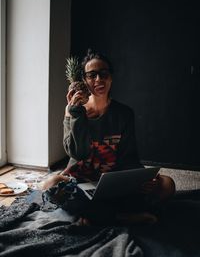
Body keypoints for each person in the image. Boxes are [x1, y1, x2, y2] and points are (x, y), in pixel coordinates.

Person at [42, 49, 175, 224]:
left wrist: (143, 179)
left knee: (167, 184)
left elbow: (129, 157)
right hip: (80, 181)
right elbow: (77, 152)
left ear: (111, 78)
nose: (99, 79)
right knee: (49, 186)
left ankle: (95, 215)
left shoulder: (124, 113)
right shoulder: (72, 110)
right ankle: (120, 216)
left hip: (113, 181)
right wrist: (76, 114)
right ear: (84, 80)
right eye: (92, 75)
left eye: (104, 73)